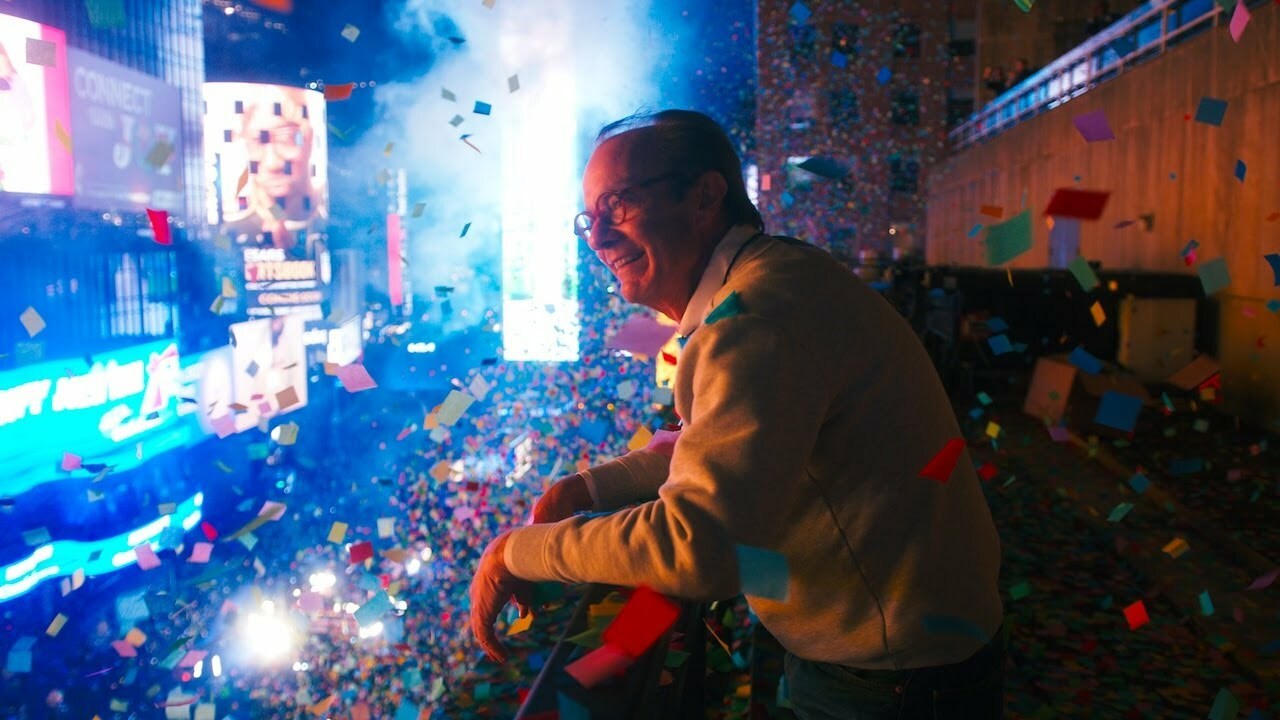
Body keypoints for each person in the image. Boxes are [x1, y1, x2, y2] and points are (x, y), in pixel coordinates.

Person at [468, 109, 1005, 719]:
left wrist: (519, 551)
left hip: (890, 680)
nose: (597, 237)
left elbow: (700, 548)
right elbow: (721, 444)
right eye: (589, 218)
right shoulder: (774, 281)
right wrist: (589, 486)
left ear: (704, 196)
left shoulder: (752, 319)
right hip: (909, 655)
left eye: (617, 206)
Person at [221, 86, 327, 255]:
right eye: (258, 139)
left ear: (309, 140)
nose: (272, 163)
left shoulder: (335, 219)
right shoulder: (233, 228)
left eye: (286, 139)